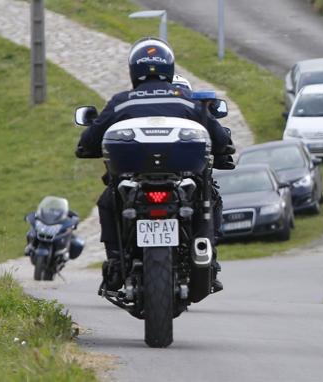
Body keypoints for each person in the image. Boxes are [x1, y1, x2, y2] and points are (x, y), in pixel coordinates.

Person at [75, 37, 231, 292]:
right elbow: (219, 137)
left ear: (134, 70)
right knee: (208, 195)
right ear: (169, 68)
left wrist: (85, 148)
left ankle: (115, 260)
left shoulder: (122, 101)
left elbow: (89, 140)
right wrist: (224, 146)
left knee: (108, 200)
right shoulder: (185, 99)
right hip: (182, 183)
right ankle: (205, 249)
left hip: (134, 185)